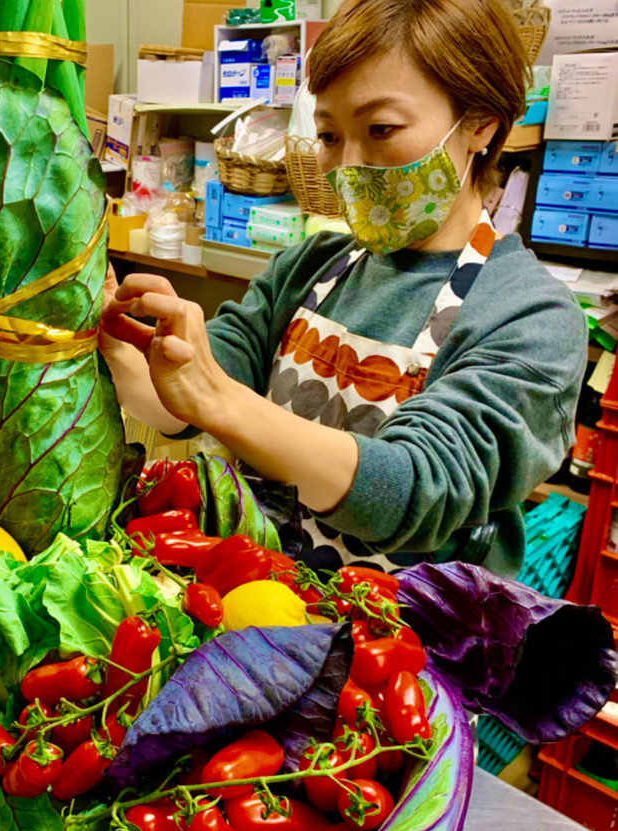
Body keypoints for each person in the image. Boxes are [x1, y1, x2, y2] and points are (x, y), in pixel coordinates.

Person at [99, 0, 586, 578]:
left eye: (381, 129)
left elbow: (416, 487)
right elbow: (177, 400)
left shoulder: (531, 316)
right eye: (330, 135)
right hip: (261, 612)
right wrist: (116, 335)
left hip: (408, 650)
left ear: (480, 122)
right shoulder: (310, 268)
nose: (348, 166)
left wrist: (218, 398)